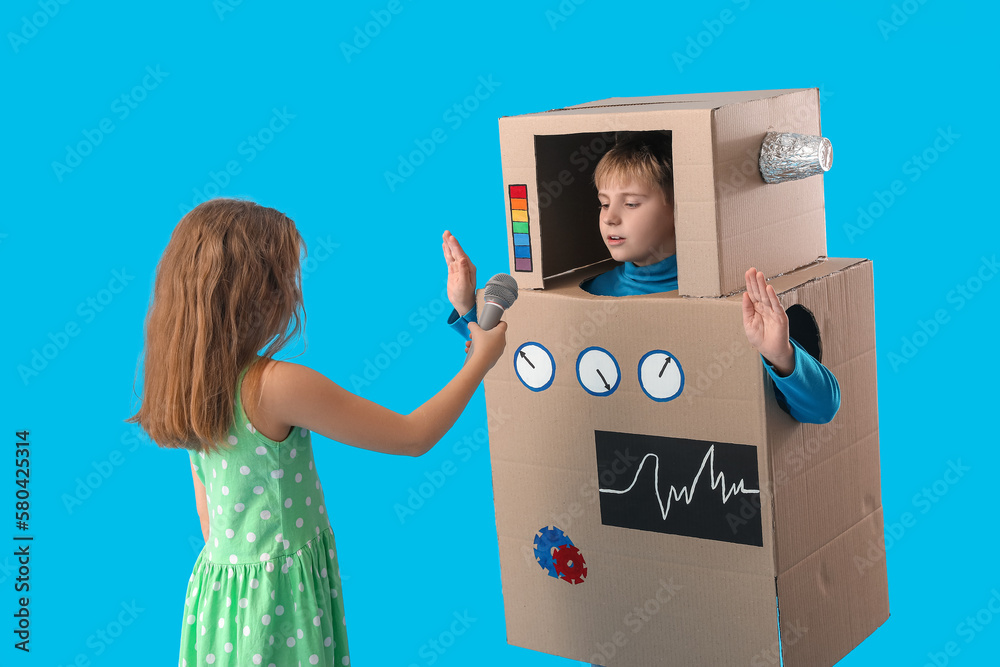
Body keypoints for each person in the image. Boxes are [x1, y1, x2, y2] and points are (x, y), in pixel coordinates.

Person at [127, 198, 506, 667]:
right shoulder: (276, 385)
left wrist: (468, 317)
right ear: (254, 292)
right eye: (284, 276)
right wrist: (480, 359)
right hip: (277, 610)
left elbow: (212, 524)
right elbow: (413, 436)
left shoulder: (193, 386)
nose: (292, 290)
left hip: (220, 607)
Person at [442, 131, 839, 424]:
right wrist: (465, 309)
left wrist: (781, 355)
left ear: (677, 209)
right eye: (603, 203)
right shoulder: (594, 292)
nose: (610, 217)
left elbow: (821, 411)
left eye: (631, 203)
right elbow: (519, 362)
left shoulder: (741, 303)